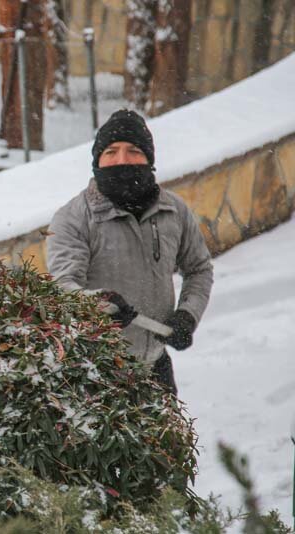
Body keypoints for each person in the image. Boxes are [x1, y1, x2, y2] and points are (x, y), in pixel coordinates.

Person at [46, 109, 213, 395]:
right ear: (97, 161)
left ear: (149, 159)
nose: (122, 160)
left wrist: (188, 314)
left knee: (169, 442)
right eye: (111, 151)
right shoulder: (73, 218)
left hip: (155, 369)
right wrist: (97, 304)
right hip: (96, 374)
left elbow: (199, 268)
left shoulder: (174, 211)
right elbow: (63, 287)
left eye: (133, 150)